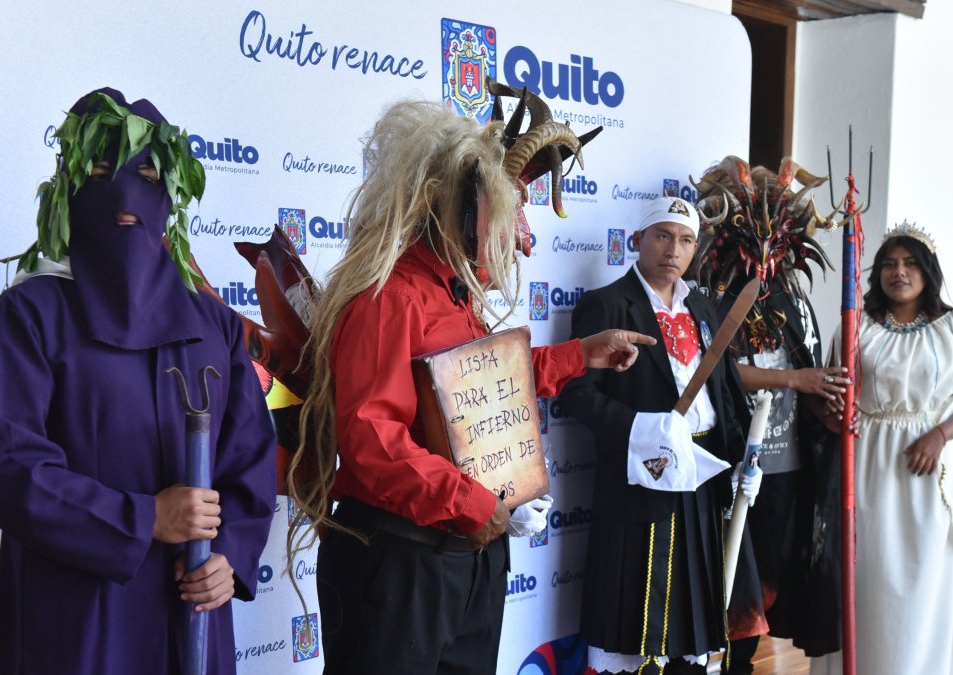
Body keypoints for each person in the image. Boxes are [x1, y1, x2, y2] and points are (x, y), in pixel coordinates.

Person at [290, 87, 652, 675]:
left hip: (466, 556)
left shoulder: (454, 294)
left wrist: (579, 355)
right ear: (463, 207)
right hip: (401, 561)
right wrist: (468, 500)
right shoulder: (390, 298)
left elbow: (477, 390)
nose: (521, 233)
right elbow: (371, 438)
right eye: (509, 210)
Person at [0, 88, 277, 675]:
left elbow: (250, 459)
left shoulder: (214, 327)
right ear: (69, 187)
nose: (126, 200)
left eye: (148, 175)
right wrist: (142, 519)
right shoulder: (26, 320)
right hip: (74, 622)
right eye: (102, 173)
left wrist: (229, 555)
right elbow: (7, 467)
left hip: (191, 618)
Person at [559, 196, 763, 675]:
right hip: (638, 486)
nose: (673, 249)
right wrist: (643, 430)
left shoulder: (707, 308)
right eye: (663, 236)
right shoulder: (606, 305)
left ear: (696, 251)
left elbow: (726, 393)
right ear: (638, 241)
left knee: (693, 625)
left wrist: (741, 459)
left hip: (702, 481)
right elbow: (577, 397)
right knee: (633, 630)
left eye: (686, 240)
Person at [691, 157, 852, 670]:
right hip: (731, 459)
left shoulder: (796, 296)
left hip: (787, 463)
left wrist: (823, 409)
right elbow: (711, 372)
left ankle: (743, 665)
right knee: (732, 581)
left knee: (772, 585)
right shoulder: (711, 293)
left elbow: (805, 369)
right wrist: (794, 380)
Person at [810, 223, 953, 675]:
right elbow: (825, 394)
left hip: (928, 472)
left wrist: (941, 434)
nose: (899, 272)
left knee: (922, 584)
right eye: (889, 263)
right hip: (865, 465)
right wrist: (834, 417)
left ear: (928, 271)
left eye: (910, 263)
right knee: (868, 583)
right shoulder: (858, 325)